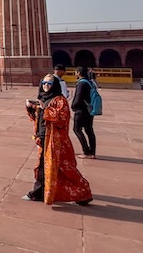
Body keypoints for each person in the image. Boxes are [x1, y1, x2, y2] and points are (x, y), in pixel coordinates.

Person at [24, 75, 92, 205]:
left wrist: (45, 109)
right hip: (44, 137)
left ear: (54, 85)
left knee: (65, 168)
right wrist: (30, 108)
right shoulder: (43, 98)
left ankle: (83, 192)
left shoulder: (60, 100)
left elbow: (62, 119)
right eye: (44, 83)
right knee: (44, 167)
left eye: (49, 83)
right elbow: (38, 119)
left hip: (56, 141)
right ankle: (41, 192)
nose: (46, 85)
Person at [71, 67, 97, 159]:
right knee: (89, 130)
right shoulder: (90, 82)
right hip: (89, 109)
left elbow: (78, 97)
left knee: (77, 129)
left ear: (78, 72)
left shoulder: (81, 83)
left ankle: (86, 151)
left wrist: (73, 106)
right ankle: (92, 152)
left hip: (81, 110)